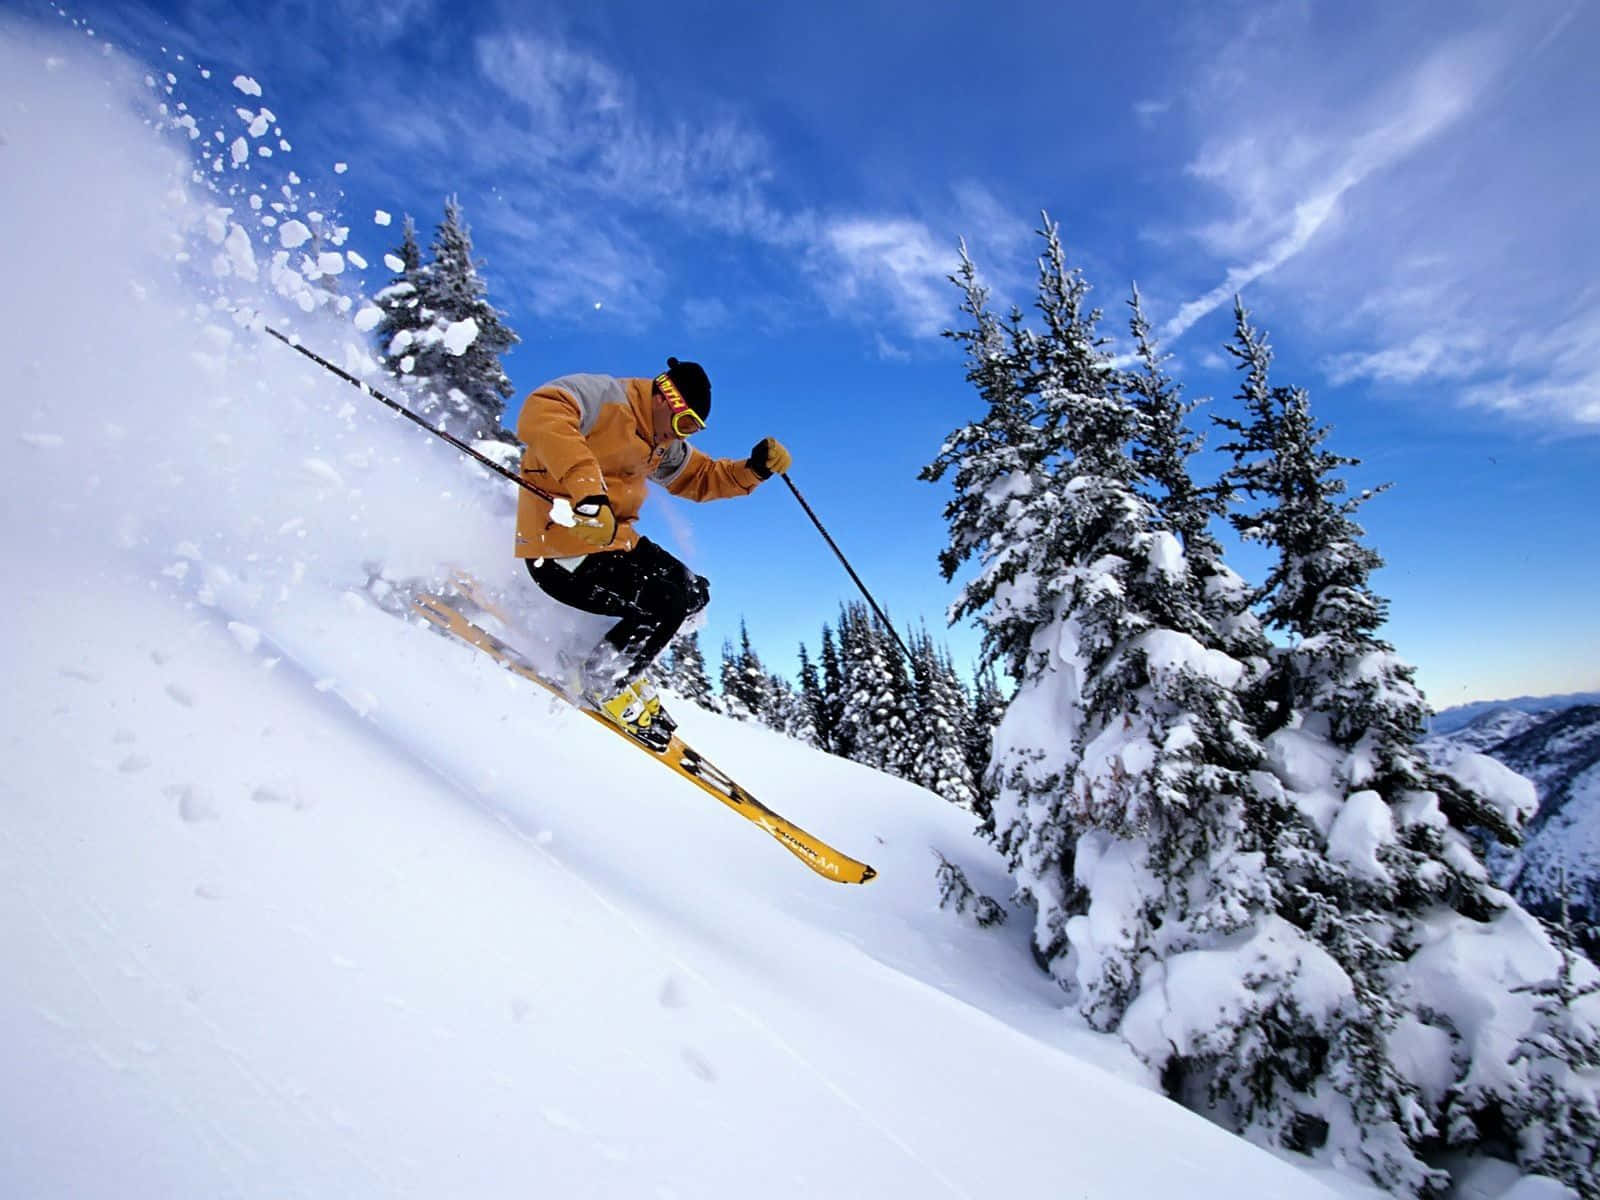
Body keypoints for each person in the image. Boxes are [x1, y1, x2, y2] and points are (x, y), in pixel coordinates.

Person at [514, 357, 790, 748]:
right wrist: (587, 493)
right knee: (666, 602)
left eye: (693, 429)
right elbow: (542, 409)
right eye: (684, 424)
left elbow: (700, 476)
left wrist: (755, 470)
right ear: (665, 398)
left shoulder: (660, 443)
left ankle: (608, 657)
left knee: (692, 591)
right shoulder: (606, 399)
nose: (683, 436)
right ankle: (601, 680)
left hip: (613, 542)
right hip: (559, 544)